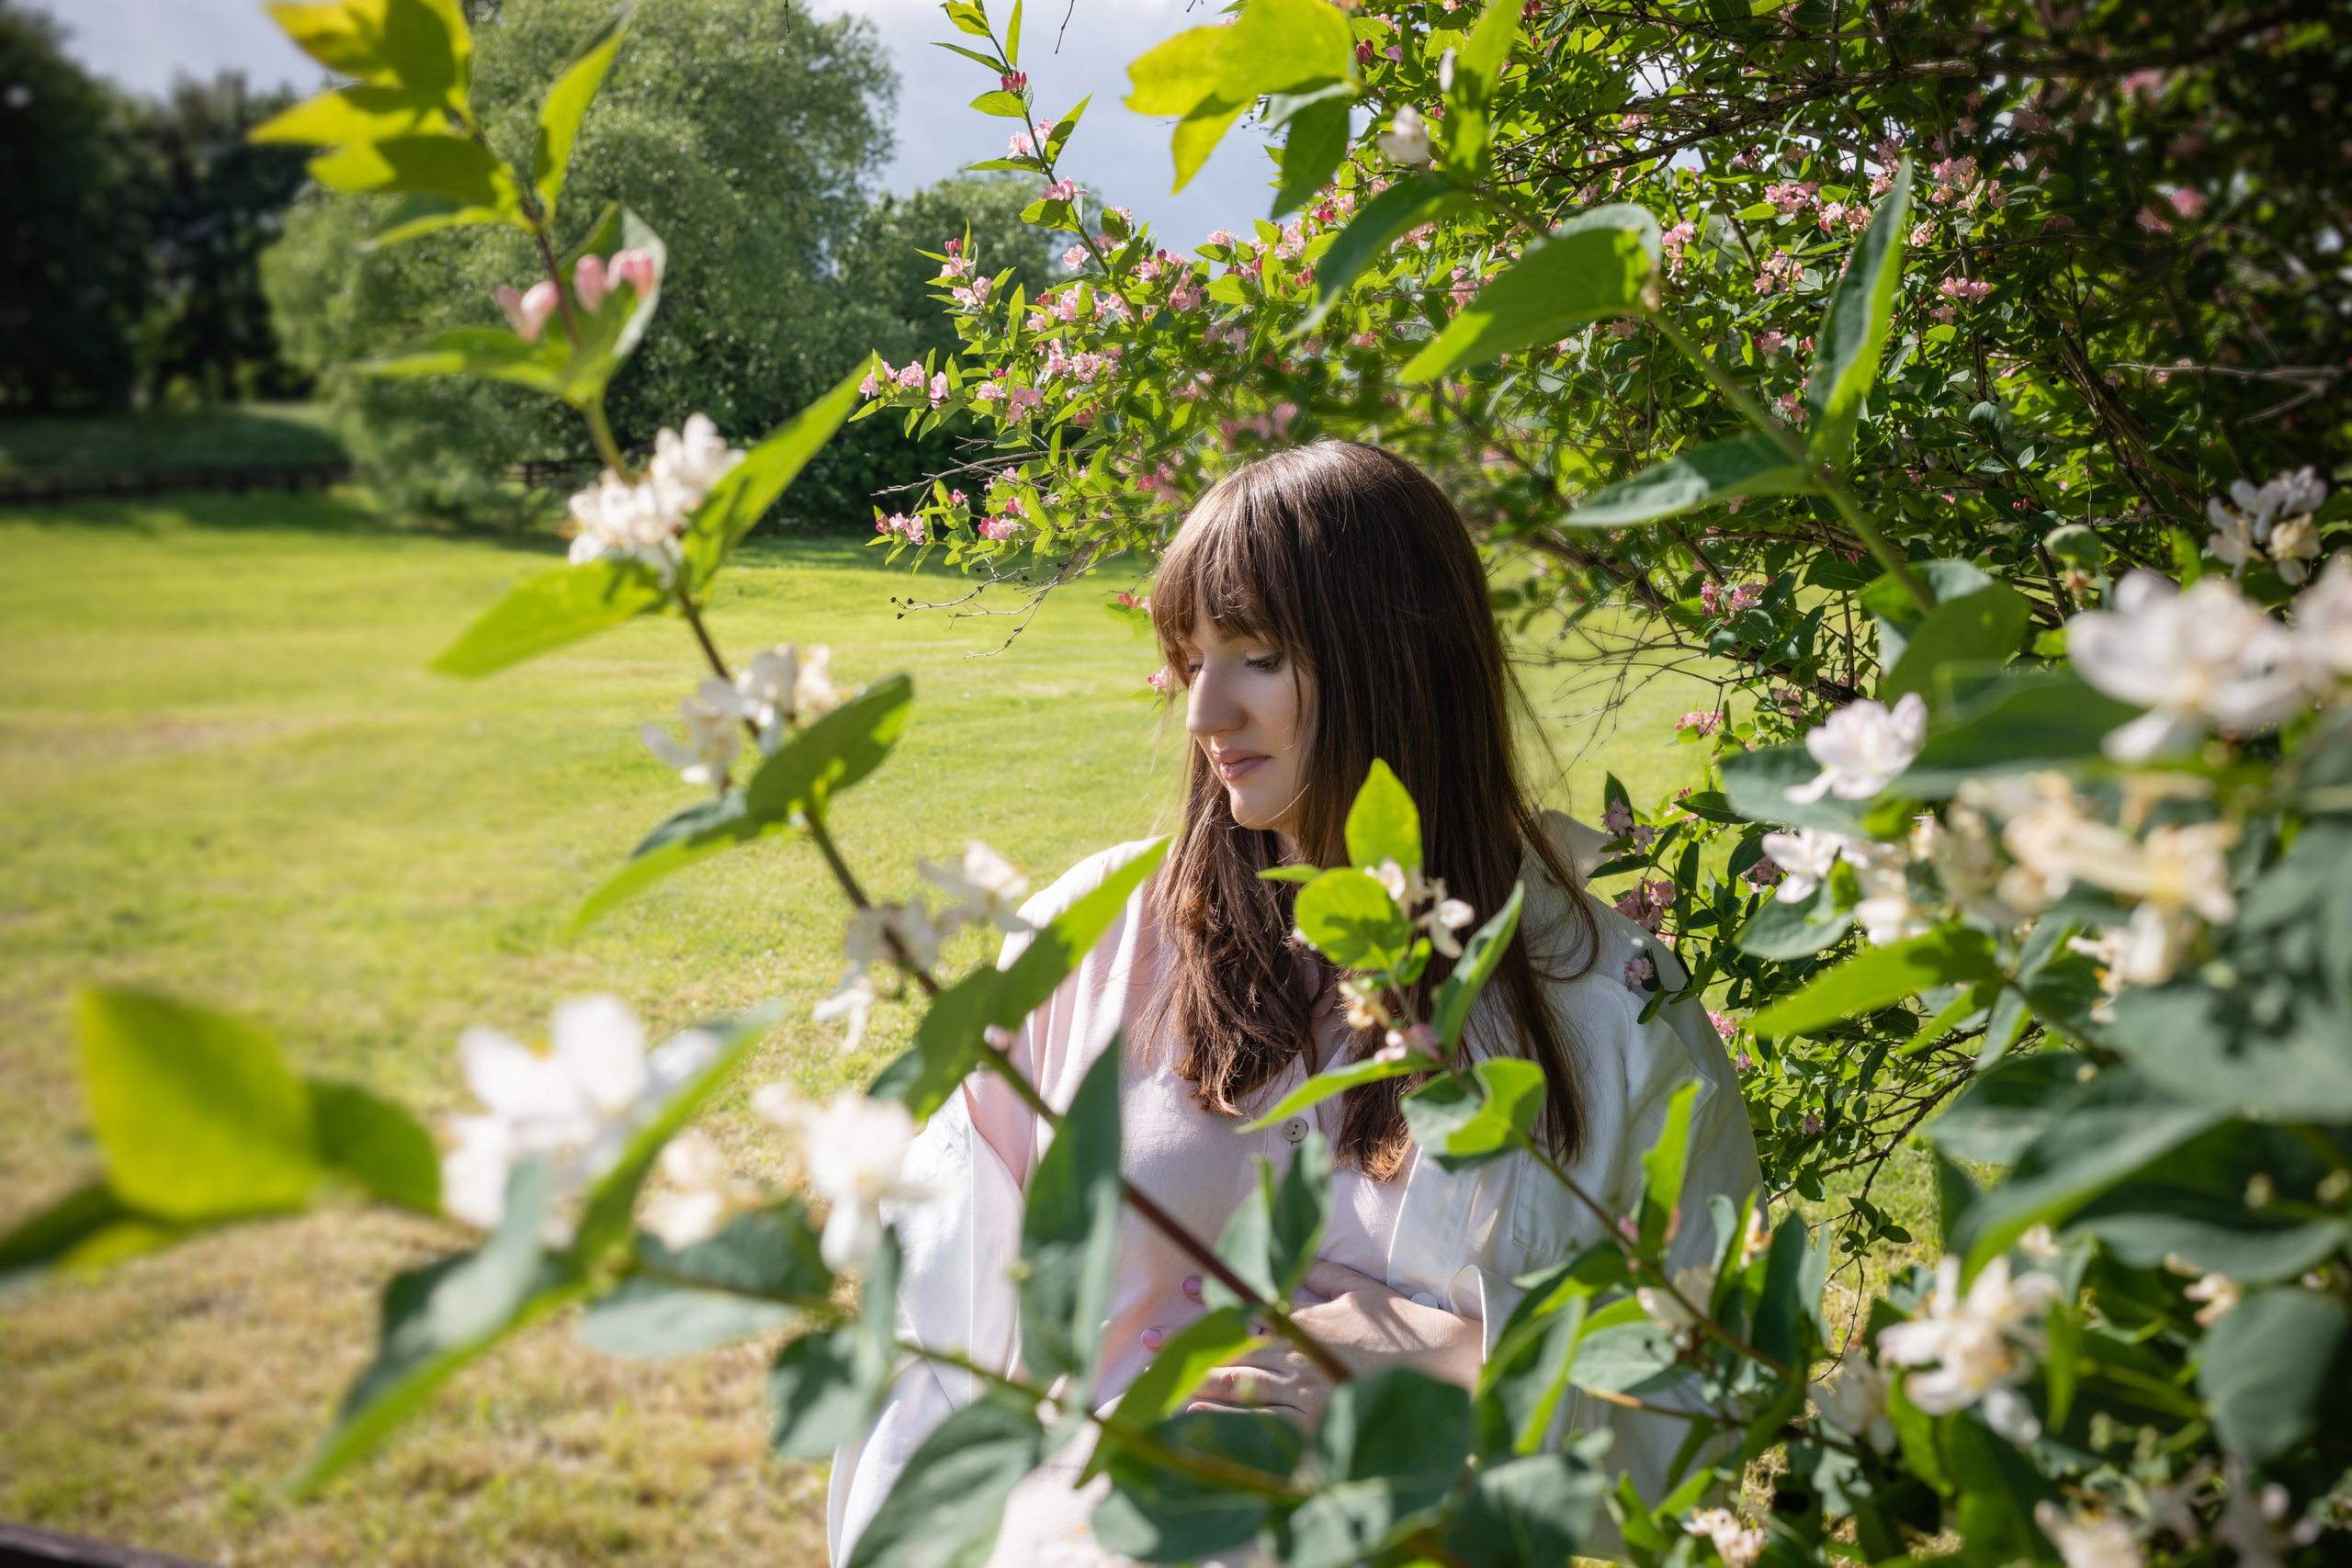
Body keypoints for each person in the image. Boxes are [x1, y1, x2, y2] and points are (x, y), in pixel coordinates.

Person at [828, 441, 1758, 1565]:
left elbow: (1698, 1385)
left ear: (1401, 658)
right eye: (1190, 658)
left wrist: (1472, 1365)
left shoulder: (1609, 1008)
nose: (1202, 712)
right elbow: (938, 1308)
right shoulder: (1103, 934)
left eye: (1257, 656)